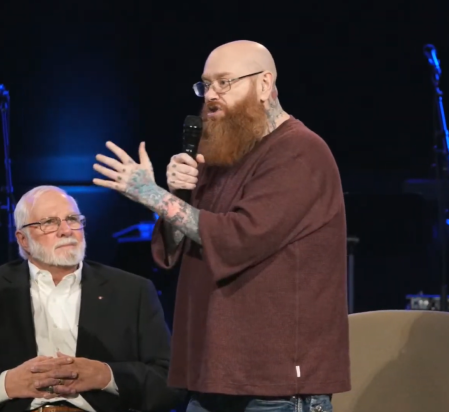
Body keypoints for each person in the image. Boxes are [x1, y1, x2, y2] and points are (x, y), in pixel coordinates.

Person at [92, 40, 350, 412]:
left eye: (224, 83)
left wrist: (151, 196)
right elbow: (178, 247)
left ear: (264, 84)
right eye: (205, 85)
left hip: (274, 385)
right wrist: (175, 195)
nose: (211, 95)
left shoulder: (300, 152)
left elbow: (237, 238)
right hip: (213, 375)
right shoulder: (222, 156)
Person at [0, 185, 185, 412]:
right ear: (23, 240)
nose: (66, 230)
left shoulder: (133, 291)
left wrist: (106, 376)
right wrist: (7, 383)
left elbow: (171, 385)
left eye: (73, 220)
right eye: (50, 223)